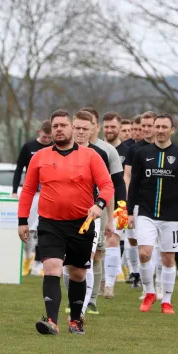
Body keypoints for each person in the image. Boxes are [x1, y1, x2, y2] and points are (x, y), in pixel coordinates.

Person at [18, 109, 114, 335]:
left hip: (82, 223)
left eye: (63, 125)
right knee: (51, 267)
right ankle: (51, 320)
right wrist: (22, 220)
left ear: (72, 127)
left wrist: (98, 205)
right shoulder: (39, 157)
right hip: (50, 223)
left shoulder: (91, 156)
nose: (59, 129)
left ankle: (75, 320)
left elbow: (108, 185)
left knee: (78, 273)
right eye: (55, 126)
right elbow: (29, 189)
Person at [127, 113, 178, 314]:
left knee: (167, 258)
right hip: (146, 212)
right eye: (158, 126)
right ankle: (149, 292)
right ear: (153, 129)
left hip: (171, 215)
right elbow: (134, 184)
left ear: (172, 130)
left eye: (165, 127)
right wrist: (130, 212)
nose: (161, 130)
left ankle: (167, 301)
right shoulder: (142, 153)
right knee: (144, 252)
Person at [66, 111, 113, 317]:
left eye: (86, 129)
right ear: (71, 128)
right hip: (63, 217)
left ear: (93, 129)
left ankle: (83, 307)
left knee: (88, 259)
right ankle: (74, 300)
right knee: (67, 265)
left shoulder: (98, 155)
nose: (81, 132)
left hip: (90, 217)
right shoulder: (59, 152)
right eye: (78, 128)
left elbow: (108, 187)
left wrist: (108, 216)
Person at [81, 107, 125, 314]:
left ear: (95, 126)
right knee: (75, 256)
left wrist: (117, 212)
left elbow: (115, 184)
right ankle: (77, 297)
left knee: (96, 254)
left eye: (88, 125)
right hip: (75, 208)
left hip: (99, 209)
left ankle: (92, 300)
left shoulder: (106, 151)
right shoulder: (70, 149)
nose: (83, 130)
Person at [12, 120, 53, 276]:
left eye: (50, 138)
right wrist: (14, 190)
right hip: (31, 192)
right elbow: (18, 169)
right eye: (45, 137)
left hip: (47, 193)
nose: (47, 140)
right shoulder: (29, 147)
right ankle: (26, 258)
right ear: (39, 132)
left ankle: (37, 263)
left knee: (41, 230)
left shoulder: (54, 148)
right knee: (27, 229)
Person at [123, 111, 157, 289]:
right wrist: (129, 202)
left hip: (162, 205)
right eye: (142, 126)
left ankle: (156, 282)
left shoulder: (169, 151)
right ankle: (142, 279)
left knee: (158, 248)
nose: (145, 129)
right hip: (139, 205)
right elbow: (127, 177)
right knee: (138, 243)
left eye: (148, 125)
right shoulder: (134, 149)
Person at [101, 111, 130, 297]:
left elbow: (127, 179)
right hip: (97, 202)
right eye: (107, 127)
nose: (110, 130)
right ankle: (100, 279)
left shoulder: (129, 151)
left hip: (120, 202)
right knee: (97, 246)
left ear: (120, 127)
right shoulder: (97, 148)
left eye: (113, 126)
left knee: (113, 240)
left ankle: (109, 285)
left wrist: (127, 204)